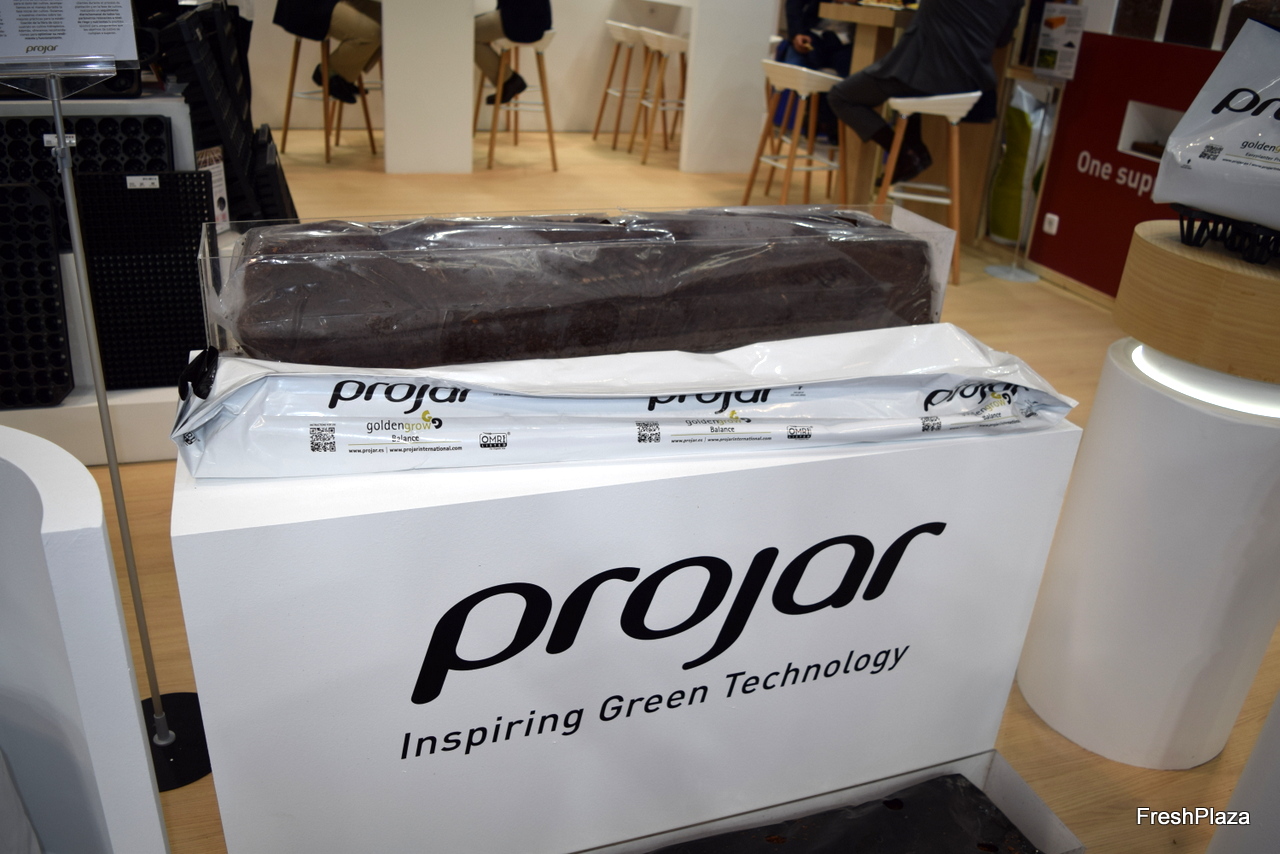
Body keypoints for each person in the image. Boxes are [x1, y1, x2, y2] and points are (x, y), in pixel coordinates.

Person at [827, 0, 1024, 184]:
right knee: (907, 89)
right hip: (972, 85)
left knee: (841, 96)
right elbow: (1002, 40)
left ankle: (904, 154)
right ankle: (915, 147)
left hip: (926, 71)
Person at [273, 0, 381, 105]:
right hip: (308, 5)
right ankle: (329, 73)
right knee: (372, 33)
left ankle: (345, 76)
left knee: (386, 18)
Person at [475, 0, 552, 105]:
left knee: (469, 32)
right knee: (470, 27)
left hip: (522, 17)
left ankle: (509, 80)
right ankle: (509, 81)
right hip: (533, 16)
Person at [784, 0, 854, 73]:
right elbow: (794, 5)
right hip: (812, 36)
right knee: (792, 70)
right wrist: (797, 33)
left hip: (847, 44)